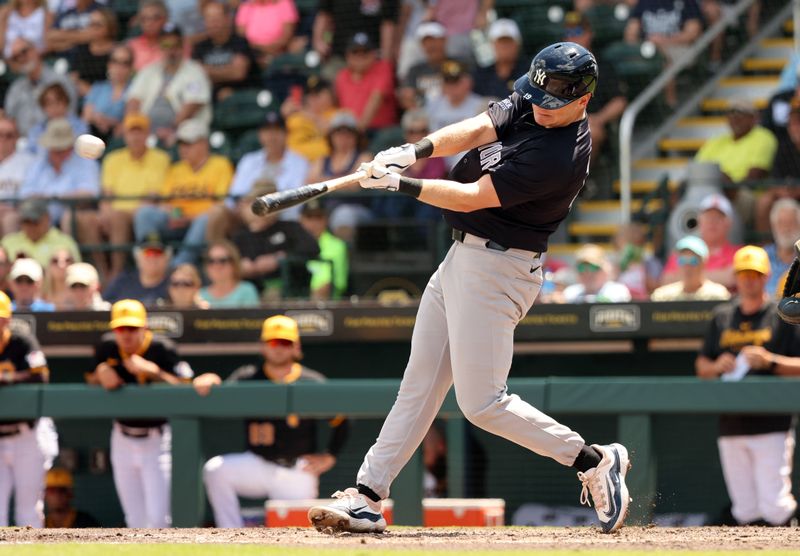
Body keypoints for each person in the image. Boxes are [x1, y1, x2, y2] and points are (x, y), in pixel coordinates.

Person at [307, 41, 631, 534]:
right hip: (463, 258)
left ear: (582, 100)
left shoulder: (559, 156)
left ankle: (591, 459)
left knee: (482, 404)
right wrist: (413, 151)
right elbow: (481, 126)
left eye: (552, 104)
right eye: (537, 97)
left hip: (499, 270)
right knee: (418, 386)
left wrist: (402, 184)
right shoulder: (541, 95)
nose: (538, 108)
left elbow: (474, 198)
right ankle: (368, 496)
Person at [193, 315, 348, 528]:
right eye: (273, 342)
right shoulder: (249, 377)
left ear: (296, 347)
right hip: (257, 463)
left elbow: (343, 418)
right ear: (263, 346)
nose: (279, 348)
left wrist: (330, 456)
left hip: (295, 469)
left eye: (285, 343)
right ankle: (230, 533)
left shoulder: (311, 381)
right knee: (215, 470)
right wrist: (212, 379)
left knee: (301, 533)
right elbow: (221, 395)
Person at [696, 245, 800, 526]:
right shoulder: (722, 316)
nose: (749, 279)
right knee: (745, 509)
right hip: (731, 424)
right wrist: (717, 367)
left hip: (772, 423)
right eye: (744, 273)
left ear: (766, 276)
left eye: (755, 274)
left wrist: (770, 361)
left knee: (776, 506)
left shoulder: (783, 315)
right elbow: (702, 366)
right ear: (735, 277)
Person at [87, 299, 191, 528]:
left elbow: (186, 386)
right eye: (121, 329)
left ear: (145, 328)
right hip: (121, 436)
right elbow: (89, 378)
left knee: (158, 519)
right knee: (134, 519)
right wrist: (100, 373)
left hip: (156, 439)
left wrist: (155, 373)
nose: (126, 335)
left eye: (132, 328)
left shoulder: (162, 349)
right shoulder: (106, 347)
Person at [134, 120, 233, 266]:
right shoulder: (176, 169)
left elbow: (220, 205)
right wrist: (176, 215)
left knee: (205, 219)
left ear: (204, 143)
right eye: (181, 144)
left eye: (189, 143)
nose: (183, 149)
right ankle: (151, 261)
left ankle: (178, 265)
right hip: (176, 220)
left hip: (202, 223)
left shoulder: (221, 165)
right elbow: (164, 203)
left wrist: (189, 218)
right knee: (145, 213)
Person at [207, 111, 308, 239]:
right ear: (260, 135)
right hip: (244, 212)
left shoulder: (299, 162)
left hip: (279, 212)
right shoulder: (249, 160)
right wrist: (243, 207)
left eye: (277, 130)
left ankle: (253, 247)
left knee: (261, 209)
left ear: (286, 134)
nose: (272, 136)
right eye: (267, 131)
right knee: (216, 212)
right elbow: (235, 194)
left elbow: (296, 199)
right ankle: (215, 256)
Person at [0, 290, 50, 527]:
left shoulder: (22, 341)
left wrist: (6, 378)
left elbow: (41, 376)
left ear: (7, 320)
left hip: (26, 434)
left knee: (28, 511)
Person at [695, 99, 777, 229]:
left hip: (744, 194)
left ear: (753, 117)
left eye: (740, 114)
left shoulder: (763, 137)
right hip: (709, 190)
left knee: (722, 185)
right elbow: (697, 169)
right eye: (730, 114)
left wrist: (725, 181)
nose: (734, 118)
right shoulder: (716, 141)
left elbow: (753, 179)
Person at [126, 23, 212, 146]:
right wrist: (134, 127)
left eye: (175, 45)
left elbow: (192, 106)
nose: (171, 50)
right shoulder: (149, 70)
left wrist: (172, 129)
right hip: (147, 131)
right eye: (166, 45)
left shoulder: (195, 71)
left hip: (182, 130)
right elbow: (133, 101)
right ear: (159, 47)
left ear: (183, 47)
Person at [232, 181, 319, 300]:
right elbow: (228, 260)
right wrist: (240, 267)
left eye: (271, 201)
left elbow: (312, 248)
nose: (268, 206)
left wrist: (279, 258)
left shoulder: (290, 228)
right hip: (249, 290)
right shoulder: (241, 236)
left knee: (272, 293)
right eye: (258, 201)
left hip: (288, 288)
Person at [623, 0, 702, 107]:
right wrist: (643, 44)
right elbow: (630, 33)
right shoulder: (644, 3)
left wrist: (664, 40)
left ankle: (670, 105)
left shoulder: (686, 2)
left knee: (664, 62)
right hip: (650, 48)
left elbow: (693, 33)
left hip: (678, 47)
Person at [660, 193, 740, 291]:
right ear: (699, 221)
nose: (712, 222)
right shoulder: (684, 250)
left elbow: (731, 278)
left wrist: (686, 276)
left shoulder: (738, 254)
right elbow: (666, 280)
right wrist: (719, 275)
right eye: (708, 217)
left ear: (728, 223)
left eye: (718, 218)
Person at [4, 37, 78, 135]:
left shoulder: (61, 81)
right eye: (15, 57)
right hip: (21, 144)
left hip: (57, 139)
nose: (21, 58)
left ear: (35, 49)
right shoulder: (16, 88)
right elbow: (9, 118)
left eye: (24, 51)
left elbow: (71, 114)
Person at [424, 59, 486, 170]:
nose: (451, 86)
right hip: (438, 160)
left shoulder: (481, 105)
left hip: (467, 162)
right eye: (448, 81)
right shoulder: (433, 105)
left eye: (456, 81)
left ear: (468, 82)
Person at [334, 32, 397, 133]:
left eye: (365, 51)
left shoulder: (383, 67)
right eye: (355, 52)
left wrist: (358, 132)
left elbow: (376, 99)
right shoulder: (342, 75)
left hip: (378, 131)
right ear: (347, 56)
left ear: (374, 54)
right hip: (349, 133)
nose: (360, 55)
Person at [192, 2, 255, 101]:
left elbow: (238, 73)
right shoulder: (200, 47)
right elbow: (197, 75)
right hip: (209, 99)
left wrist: (208, 71)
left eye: (217, 19)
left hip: (240, 97)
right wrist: (227, 71)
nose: (213, 23)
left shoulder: (240, 42)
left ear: (228, 19)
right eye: (209, 19)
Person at [1, 199, 80, 269]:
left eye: (35, 221)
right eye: (26, 221)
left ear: (47, 218)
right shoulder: (8, 242)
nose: (30, 226)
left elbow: (75, 274)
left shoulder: (65, 242)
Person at [312, 0, 398, 62]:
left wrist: (386, 58)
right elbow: (324, 15)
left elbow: (388, 24)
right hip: (339, 54)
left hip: (373, 57)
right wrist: (319, 41)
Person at [651, 236, 731, 301]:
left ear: (703, 263)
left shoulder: (718, 295)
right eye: (683, 261)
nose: (687, 266)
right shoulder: (663, 297)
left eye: (693, 261)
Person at [82, 44, 134, 142]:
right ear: (109, 64)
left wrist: (108, 122)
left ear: (131, 67)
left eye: (125, 63)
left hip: (118, 140)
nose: (119, 67)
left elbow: (129, 123)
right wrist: (97, 119)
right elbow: (85, 117)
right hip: (93, 135)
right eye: (115, 61)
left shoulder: (135, 90)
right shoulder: (98, 87)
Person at [299, 199, 348, 300]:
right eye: (309, 217)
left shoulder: (337, 245)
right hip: (292, 297)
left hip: (324, 303)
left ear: (326, 219)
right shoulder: (293, 242)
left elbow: (327, 283)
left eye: (318, 217)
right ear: (300, 219)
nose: (314, 223)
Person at [281, 76, 338, 163]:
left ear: (330, 94)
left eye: (317, 93)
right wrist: (282, 116)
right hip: (291, 163)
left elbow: (331, 130)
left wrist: (306, 113)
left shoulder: (337, 114)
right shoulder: (294, 115)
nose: (312, 98)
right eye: (309, 94)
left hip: (321, 164)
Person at [103, 233, 171, 306]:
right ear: (138, 256)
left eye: (158, 253)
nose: (152, 258)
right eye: (148, 253)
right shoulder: (123, 282)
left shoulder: (175, 284)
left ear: (167, 257)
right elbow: (104, 306)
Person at [27, 82, 90, 156]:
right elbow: (31, 153)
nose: (54, 107)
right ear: (43, 108)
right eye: (49, 104)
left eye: (58, 102)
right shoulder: (36, 130)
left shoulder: (80, 126)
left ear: (66, 102)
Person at [471, 18, 528, 101]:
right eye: (500, 42)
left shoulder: (529, 73)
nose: (504, 47)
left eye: (508, 42)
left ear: (517, 45)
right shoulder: (481, 75)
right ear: (493, 45)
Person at [398, 21, 449, 110]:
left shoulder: (458, 64)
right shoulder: (415, 70)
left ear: (444, 40)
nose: (430, 45)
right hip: (422, 115)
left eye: (434, 39)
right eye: (426, 41)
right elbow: (407, 98)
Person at [67, 8, 118, 97]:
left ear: (109, 28)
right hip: (81, 95)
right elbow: (74, 76)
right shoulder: (82, 49)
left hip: (107, 97)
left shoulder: (116, 51)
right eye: (91, 24)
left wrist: (92, 93)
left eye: (97, 25)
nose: (93, 28)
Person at [234, 0, 297, 68]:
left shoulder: (285, 3)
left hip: (279, 53)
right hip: (251, 54)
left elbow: (286, 37)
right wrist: (258, 52)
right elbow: (241, 37)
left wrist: (269, 54)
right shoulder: (246, 6)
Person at [0, 117, 35, 235]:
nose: (3, 139)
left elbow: (34, 193)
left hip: (16, 212)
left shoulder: (29, 162)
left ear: (17, 138)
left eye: (9, 135)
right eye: (0, 134)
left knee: (10, 219)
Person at [562, 243, 632, 303]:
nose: (587, 273)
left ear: (605, 270)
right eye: (581, 268)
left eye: (593, 267)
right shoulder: (570, 293)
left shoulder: (618, 290)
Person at [199, 240, 259, 307]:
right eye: (211, 261)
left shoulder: (247, 291)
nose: (217, 266)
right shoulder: (200, 295)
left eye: (223, 260)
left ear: (234, 263)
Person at [763, 198, 800, 297]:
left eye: (791, 222)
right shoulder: (763, 256)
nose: (786, 228)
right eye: (781, 223)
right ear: (773, 226)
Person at [127, 0, 169, 71]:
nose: (149, 23)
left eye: (156, 18)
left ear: (165, 19)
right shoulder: (131, 47)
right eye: (144, 19)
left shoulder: (176, 45)